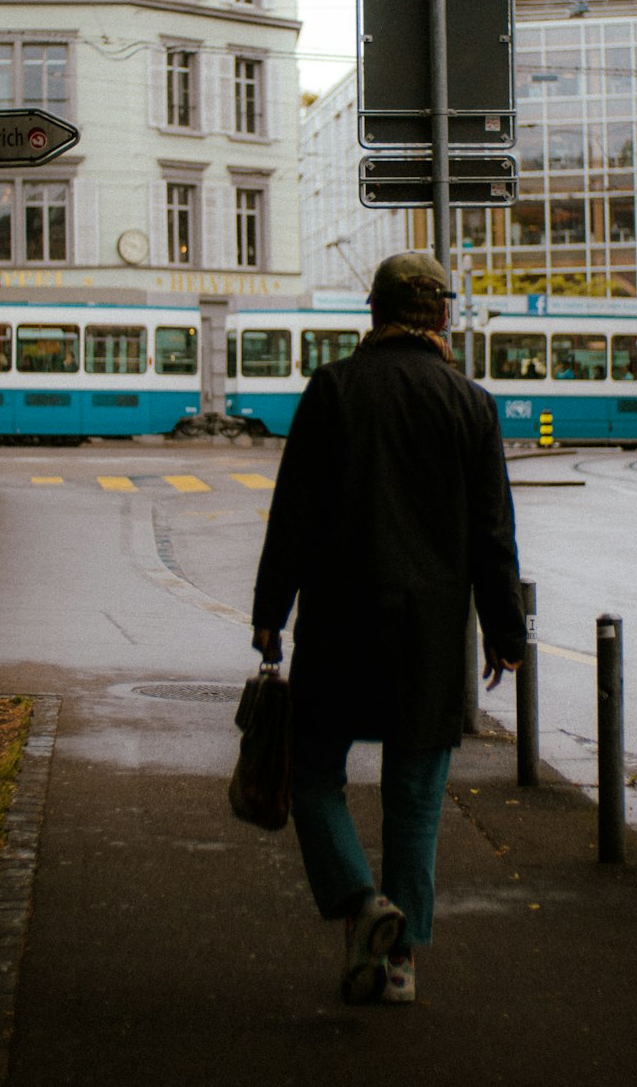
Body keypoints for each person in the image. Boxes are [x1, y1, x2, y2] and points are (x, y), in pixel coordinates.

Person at [250, 251, 525, 1007]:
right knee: (415, 797)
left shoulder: (333, 390)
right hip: (433, 634)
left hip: (340, 623)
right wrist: (506, 632)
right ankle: (398, 962)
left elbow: (293, 518)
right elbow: (492, 534)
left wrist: (270, 615)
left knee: (310, 772)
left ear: (372, 315)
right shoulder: (470, 404)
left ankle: (360, 901)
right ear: (440, 316)